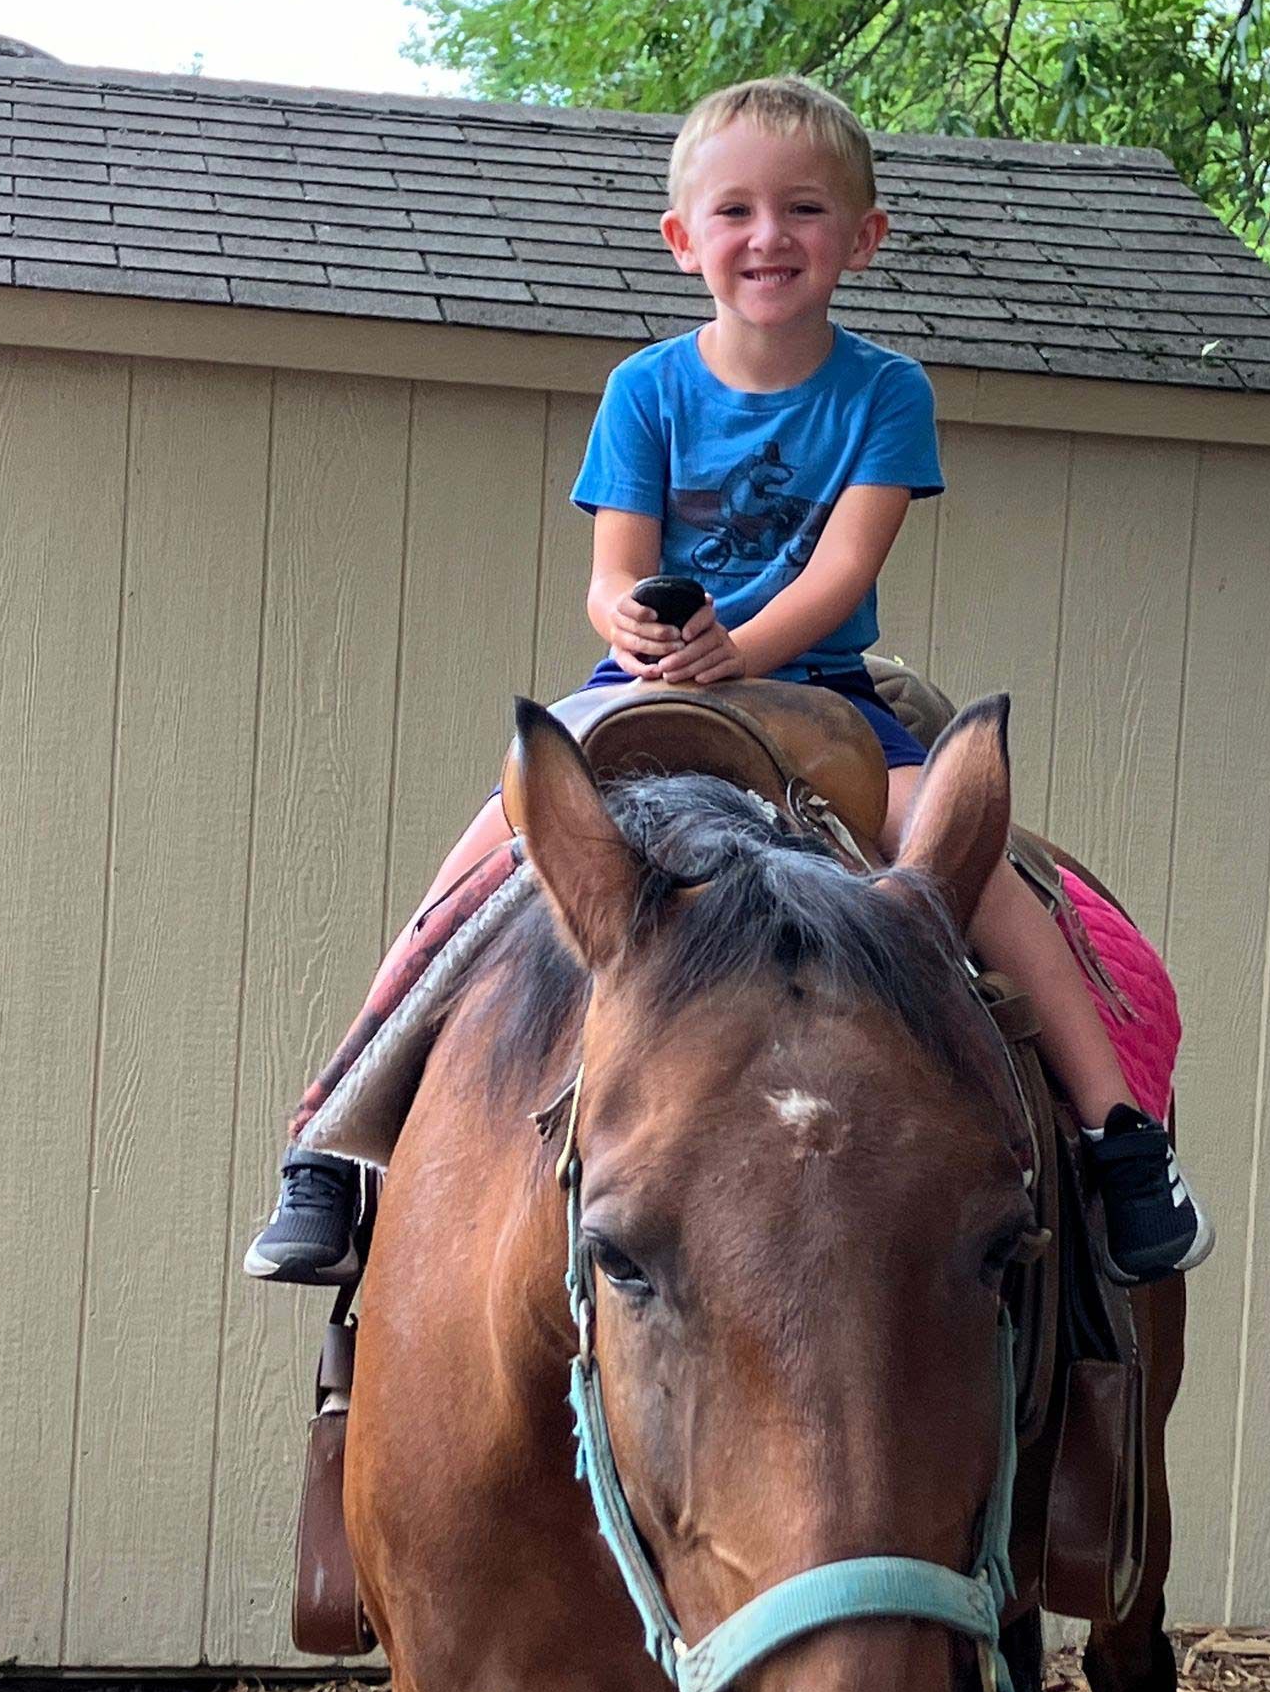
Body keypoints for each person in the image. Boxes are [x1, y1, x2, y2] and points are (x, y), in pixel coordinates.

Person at [245, 76, 1211, 1288]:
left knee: (959, 846)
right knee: (495, 850)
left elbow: (844, 567)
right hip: (646, 689)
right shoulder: (645, 390)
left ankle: (1118, 1136)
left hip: (811, 690)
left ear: (862, 239)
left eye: (804, 210)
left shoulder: (884, 392)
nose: (769, 237)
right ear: (683, 237)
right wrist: (643, 632)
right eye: (737, 210)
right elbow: (613, 575)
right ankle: (332, 1142)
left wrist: (735, 650)